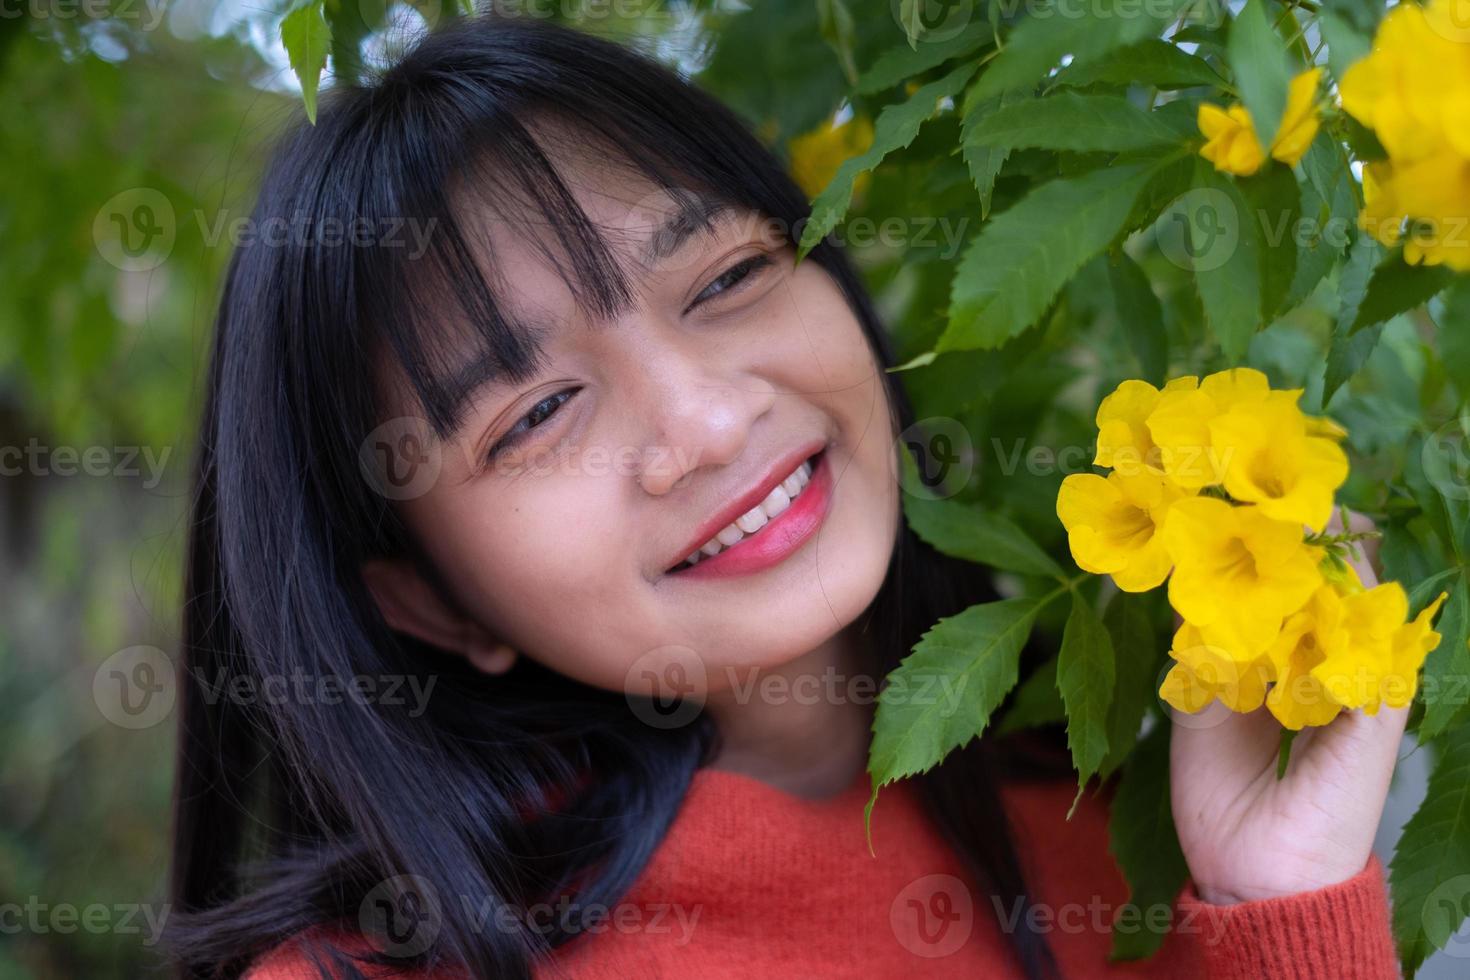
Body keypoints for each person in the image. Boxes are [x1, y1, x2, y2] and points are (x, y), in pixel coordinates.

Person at [166, 14, 1402, 979]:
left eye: (728, 275)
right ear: (429, 603)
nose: (705, 425)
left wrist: (1278, 904)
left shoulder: (1130, 840)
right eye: (535, 413)